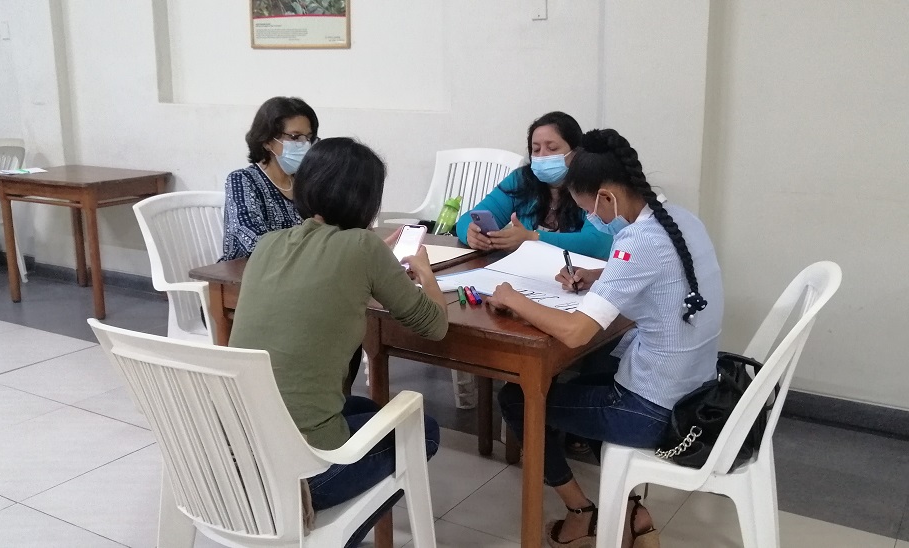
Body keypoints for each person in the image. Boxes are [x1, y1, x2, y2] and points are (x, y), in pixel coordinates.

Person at [489, 129, 724, 548]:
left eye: (589, 209)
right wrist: (598, 276)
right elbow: (659, 274)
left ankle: (580, 512)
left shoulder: (639, 240)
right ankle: (633, 513)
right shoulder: (679, 219)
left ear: (607, 198)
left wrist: (513, 298)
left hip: (654, 410)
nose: (593, 218)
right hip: (695, 391)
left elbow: (576, 332)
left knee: (517, 398)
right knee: (588, 384)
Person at [228, 137, 447, 547]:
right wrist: (425, 273)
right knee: (423, 429)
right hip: (300, 469)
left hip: (239, 452)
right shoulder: (363, 247)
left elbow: (331, 272)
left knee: (363, 408)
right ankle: (338, 537)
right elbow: (434, 325)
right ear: (367, 201)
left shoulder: (269, 243)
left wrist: (374, 261)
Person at [455, 111, 612, 259]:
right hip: (524, 269)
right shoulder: (521, 179)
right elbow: (469, 219)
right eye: (536, 149)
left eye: (552, 148)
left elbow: (597, 243)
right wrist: (470, 233)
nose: (541, 156)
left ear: (576, 151)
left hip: (575, 273)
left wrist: (533, 238)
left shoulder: (592, 184)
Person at [220, 96, 318, 261]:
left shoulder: (306, 182)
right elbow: (252, 239)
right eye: (295, 137)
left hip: (298, 267)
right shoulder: (243, 180)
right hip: (249, 272)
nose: (305, 145)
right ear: (267, 141)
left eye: (308, 138)